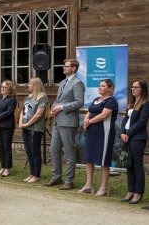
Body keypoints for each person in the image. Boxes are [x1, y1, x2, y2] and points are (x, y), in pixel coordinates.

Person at [44, 59, 85, 190]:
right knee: (54, 149)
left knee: (69, 151)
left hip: (68, 122)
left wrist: (61, 107)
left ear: (73, 68)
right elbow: (58, 99)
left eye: (66, 66)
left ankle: (69, 180)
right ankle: (56, 177)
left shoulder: (77, 83)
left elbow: (79, 102)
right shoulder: (62, 82)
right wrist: (54, 107)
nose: (63, 68)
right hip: (58, 120)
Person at [79, 79, 118, 196]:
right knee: (89, 157)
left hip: (104, 133)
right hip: (91, 132)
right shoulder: (96, 100)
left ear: (110, 88)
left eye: (103, 86)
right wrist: (86, 120)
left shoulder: (111, 100)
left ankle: (103, 188)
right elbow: (90, 111)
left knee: (103, 159)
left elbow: (103, 115)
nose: (100, 87)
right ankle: (88, 185)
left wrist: (89, 121)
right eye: (99, 86)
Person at [120, 80, 149, 204]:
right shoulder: (131, 104)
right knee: (129, 165)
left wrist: (128, 133)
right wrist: (122, 132)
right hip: (127, 137)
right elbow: (124, 120)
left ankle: (138, 193)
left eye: (136, 87)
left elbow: (142, 122)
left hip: (137, 138)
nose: (133, 89)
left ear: (142, 89)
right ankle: (130, 191)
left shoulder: (146, 103)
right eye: (132, 87)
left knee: (137, 165)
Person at [19, 77, 48, 183]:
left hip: (35, 129)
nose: (28, 85)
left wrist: (27, 124)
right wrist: (21, 123)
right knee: (29, 152)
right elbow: (23, 111)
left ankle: (36, 175)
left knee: (35, 151)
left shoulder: (42, 98)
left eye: (30, 84)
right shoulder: (29, 97)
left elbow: (38, 115)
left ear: (35, 85)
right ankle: (31, 173)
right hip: (26, 128)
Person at [0, 80, 17, 177]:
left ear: (9, 89)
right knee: (0, 147)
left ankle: (7, 168)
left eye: (5, 87)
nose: (2, 88)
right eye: (2, 86)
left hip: (7, 126)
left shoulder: (12, 99)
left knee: (7, 147)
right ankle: (2, 166)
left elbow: (9, 112)